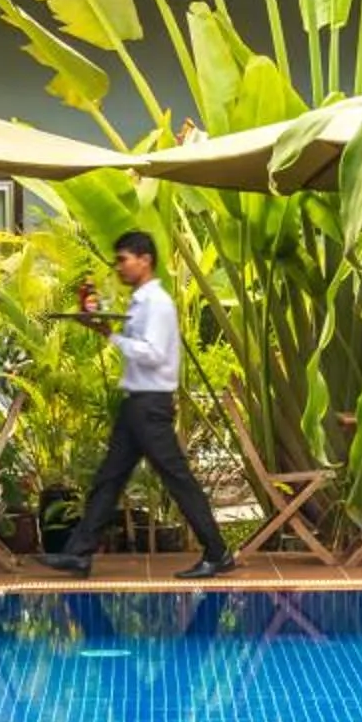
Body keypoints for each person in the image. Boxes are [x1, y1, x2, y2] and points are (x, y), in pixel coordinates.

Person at [41, 230, 234, 580]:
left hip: (151, 405)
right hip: (137, 405)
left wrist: (113, 336)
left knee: (178, 480)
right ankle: (79, 554)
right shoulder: (141, 302)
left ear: (144, 260)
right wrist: (104, 330)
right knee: (109, 479)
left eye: (124, 259)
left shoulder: (157, 303)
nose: (119, 267)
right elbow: (139, 344)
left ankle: (218, 552)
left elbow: (153, 353)